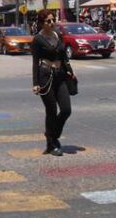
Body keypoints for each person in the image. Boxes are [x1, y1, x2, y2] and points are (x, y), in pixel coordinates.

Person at [31, 10, 75, 156]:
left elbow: (63, 56)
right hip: (45, 76)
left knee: (66, 109)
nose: (51, 23)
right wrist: (35, 82)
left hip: (60, 75)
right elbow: (35, 62)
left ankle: (51, 135)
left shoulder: (58, 34)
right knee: (51, 111)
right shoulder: (37, 39)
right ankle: (52, 144)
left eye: (53, 20)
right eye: (48, 21)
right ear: (41, 23)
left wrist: (70, 70)